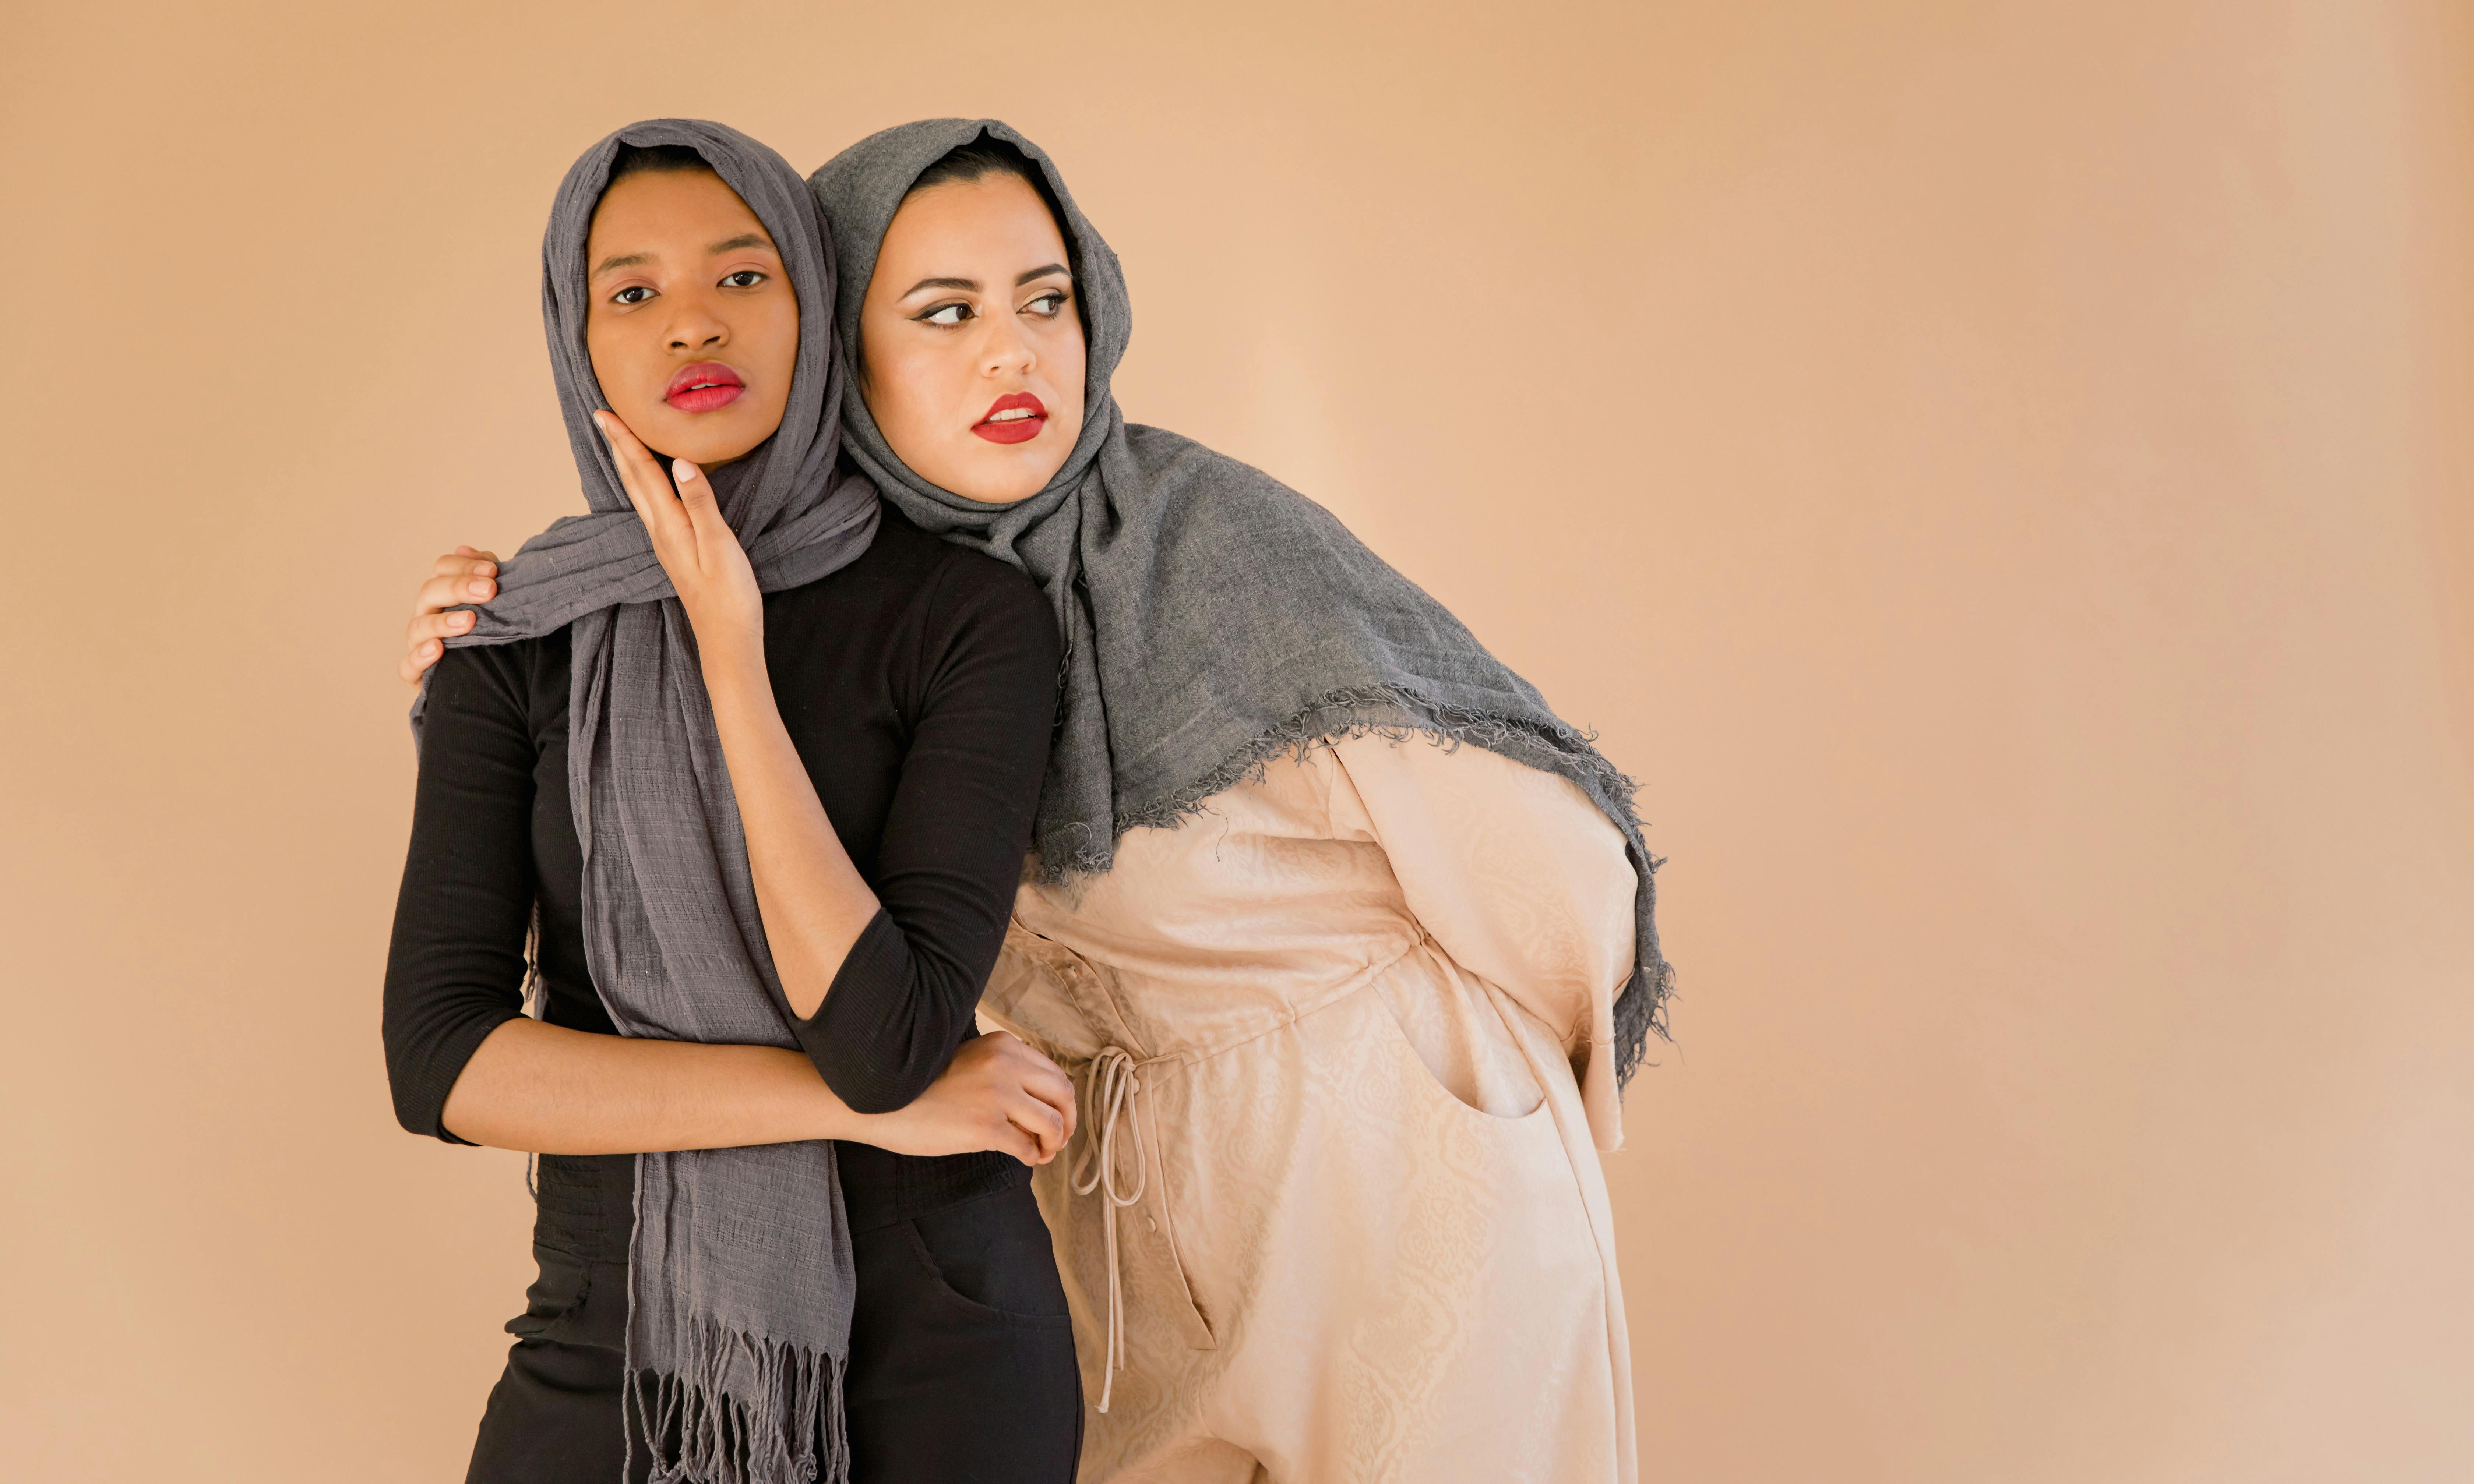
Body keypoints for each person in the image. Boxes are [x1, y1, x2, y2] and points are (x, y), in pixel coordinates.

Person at [403, 119, 1673, 1484]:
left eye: (1047, 303)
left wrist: (1480, 1097)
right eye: (944, 314)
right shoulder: (573, 628)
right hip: (1117, 1200)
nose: (1012, 354)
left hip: (1397, 1171)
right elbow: (449, 1052)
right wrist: (515, 642)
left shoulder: (1172, 562)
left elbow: (1541, 871)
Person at [385, 119, 1085, 1484]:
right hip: (620, 1325)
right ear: (575, 338)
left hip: (939, 1347)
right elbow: (446, 1064)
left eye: (743, 278)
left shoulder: (967, 616)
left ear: (816, 307)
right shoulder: (514, 633)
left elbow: (885, 1039)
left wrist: (730, 654)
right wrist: (851, 1110)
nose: (692, 326)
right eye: (633, 292)